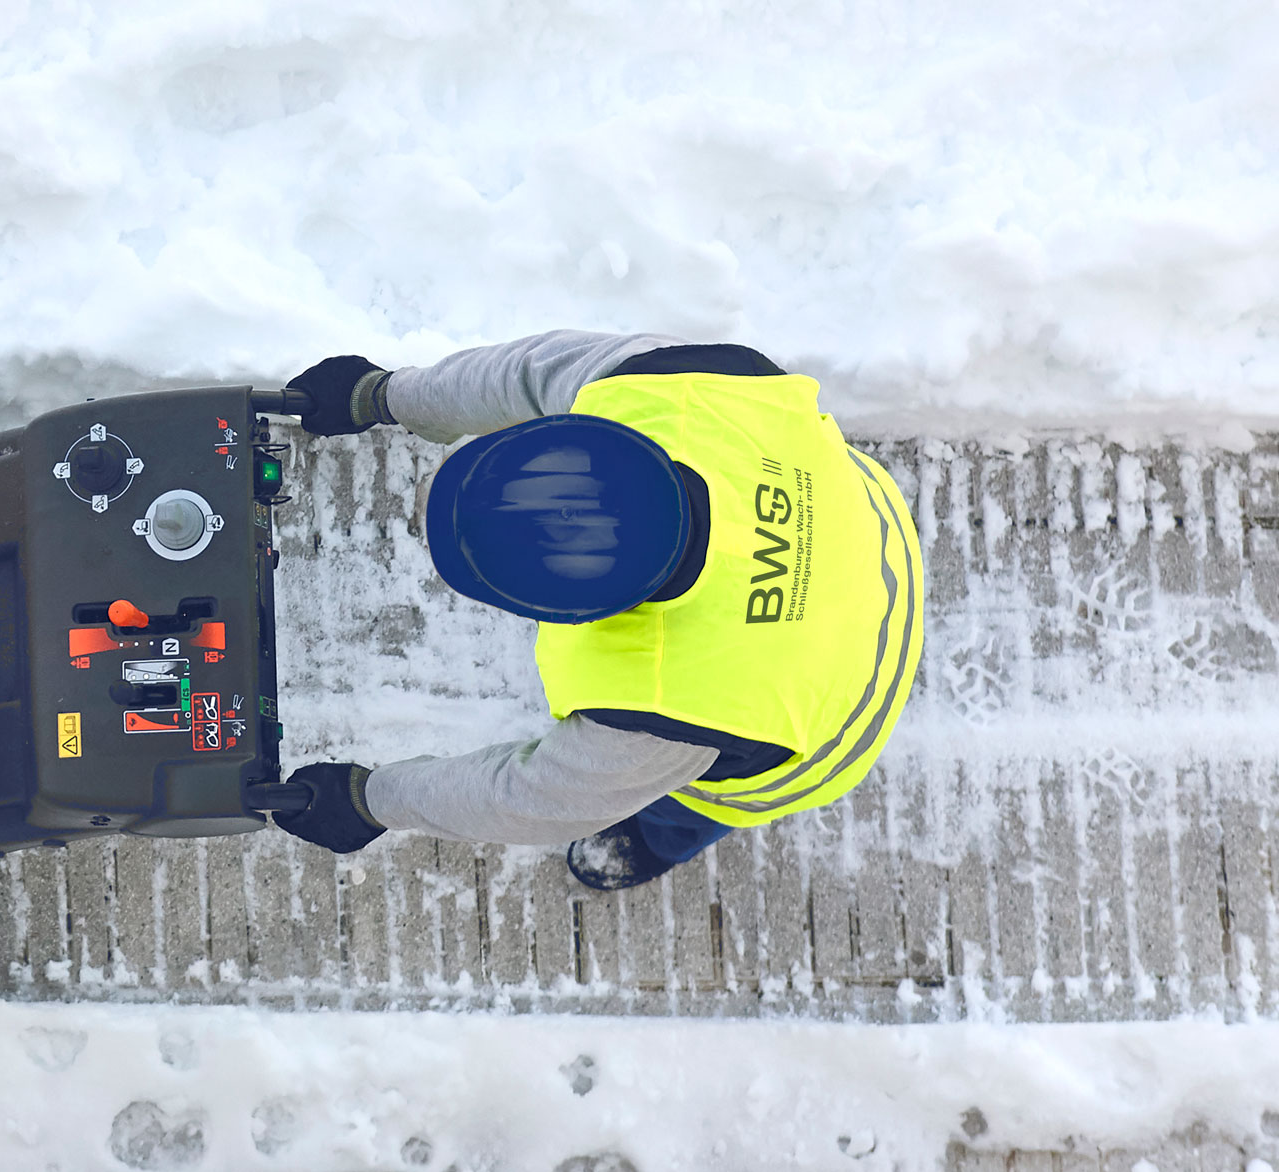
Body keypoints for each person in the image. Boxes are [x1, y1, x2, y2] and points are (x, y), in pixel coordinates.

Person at [262, 330, 925, 890]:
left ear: (577, 612)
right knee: (661, 763)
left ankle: (661, 842)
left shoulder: (667, 714)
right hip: (867, 522)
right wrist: (382, 394)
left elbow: (531, 803)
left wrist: (371, 802)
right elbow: (516, 377)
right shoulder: (671, 385)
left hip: (843, 714)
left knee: (688, 790)